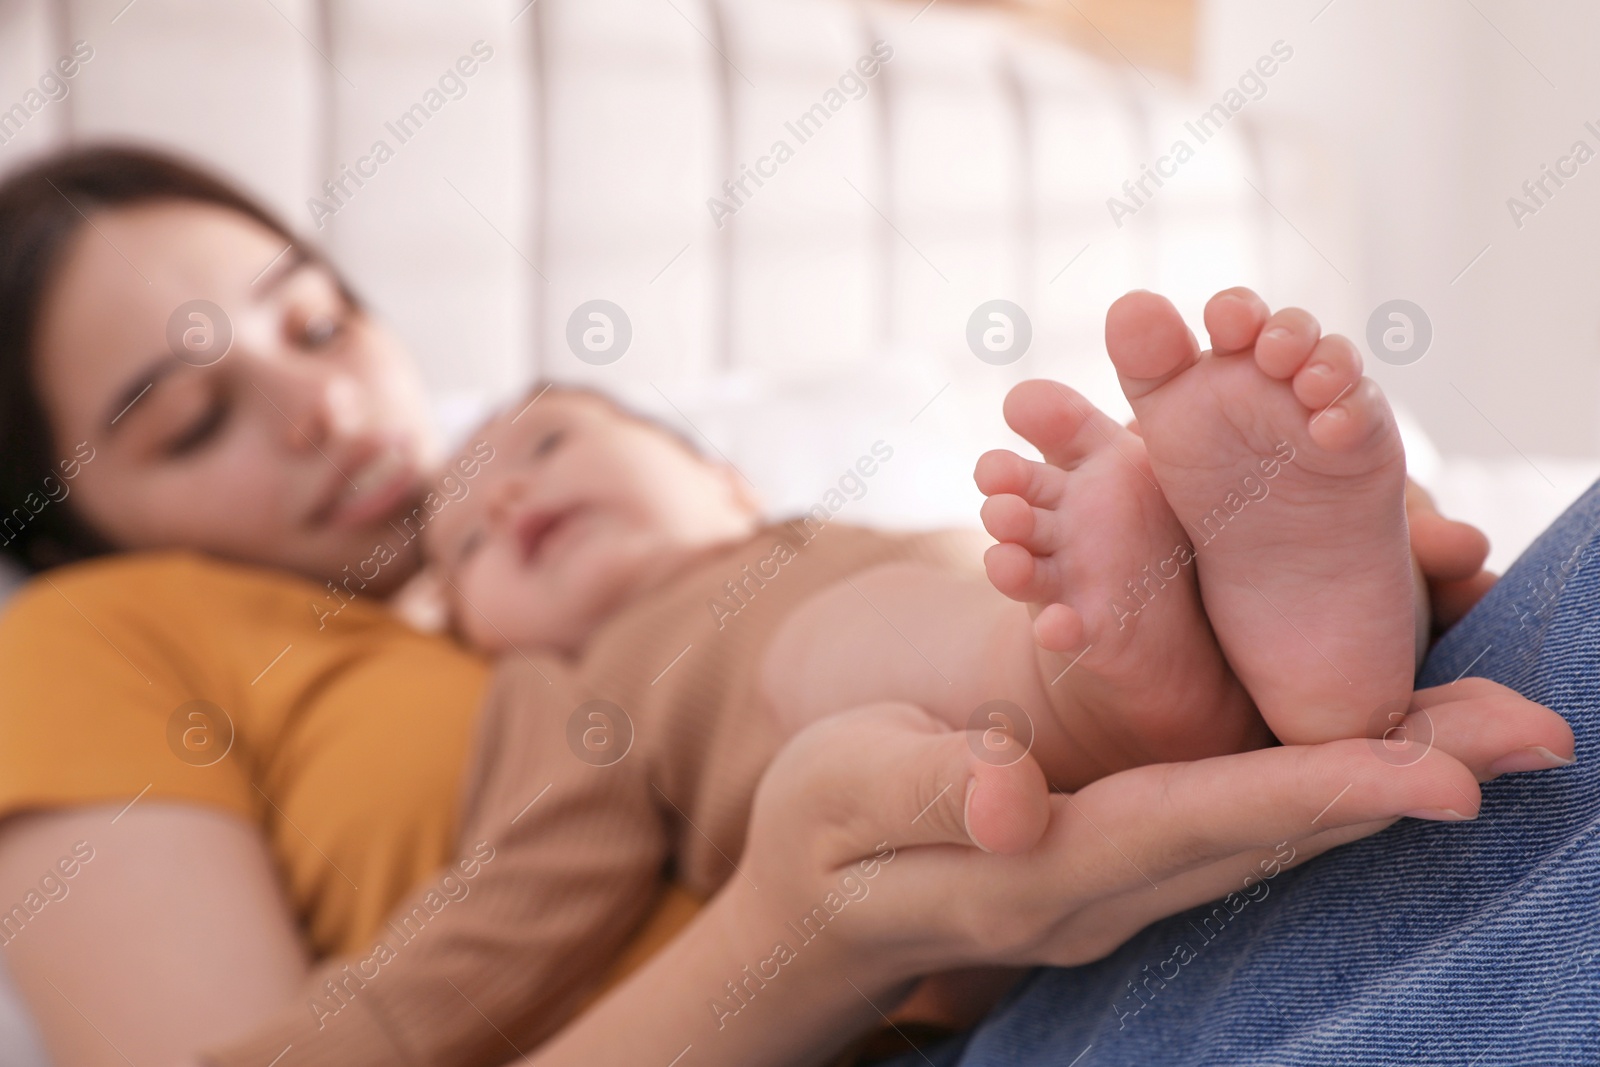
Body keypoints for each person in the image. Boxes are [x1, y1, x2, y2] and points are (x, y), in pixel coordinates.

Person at [0, 144, 1566, 1067]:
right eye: (187, 420)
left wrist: (1351, 573)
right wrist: (798, 934)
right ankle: (1144, 670)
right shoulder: (115, 642)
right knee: (902, 667)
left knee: (967, 596)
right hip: (1011, 985)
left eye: (319, 323)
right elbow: (479, 942)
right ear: (67, 522)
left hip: (1153, 841)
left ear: (725, 478)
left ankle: (1254, 637)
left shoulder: (748, 526)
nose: (323, 415)